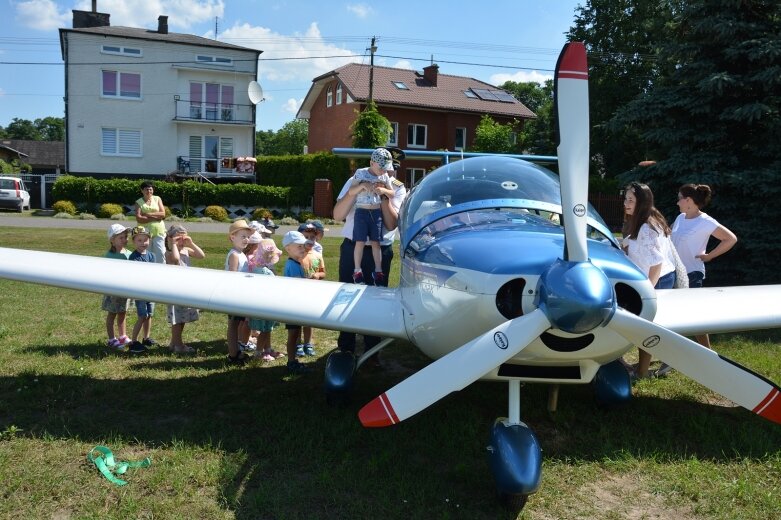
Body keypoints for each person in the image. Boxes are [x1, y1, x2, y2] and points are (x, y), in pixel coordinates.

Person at [332, 148, 407, 364]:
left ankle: (372, 350)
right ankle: (345, 347)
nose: (386, 173)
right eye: (382, 168)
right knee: (346, 295)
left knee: (375, 299)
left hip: (379, 250)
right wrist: (355, 191)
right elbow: (337, 215)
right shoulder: (355, 179)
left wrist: (384, 195)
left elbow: (392, 224)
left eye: (390, 170)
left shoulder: (399, 189)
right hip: (352, 247)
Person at [671, 183, 737, 351]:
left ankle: (706, 353)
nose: (677, 202)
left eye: (679, 199)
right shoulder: (680, 218)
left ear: (688, 200)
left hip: (693, 273)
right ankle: (701, 353)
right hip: (676, 273)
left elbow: (730, 239)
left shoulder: (706, 221)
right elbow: (668, 239)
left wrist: (710, 256)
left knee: (691, 315)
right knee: (680, 315)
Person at [622, 182, 677, 378]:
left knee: (645, 327)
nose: (626, 203)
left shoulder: (646, 227)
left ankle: (642, 372)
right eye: (626, 199)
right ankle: (639, 367)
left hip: (656, 280)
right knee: (644, 325)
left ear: (642, 202)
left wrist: (647, 292)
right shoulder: (646, 220)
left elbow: (657, 262)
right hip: (658, 277)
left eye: (631, 200)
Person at [348, 148, 394, 285]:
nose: (384, 171)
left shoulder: (384, 177)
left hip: (376, 212)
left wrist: (383, 190)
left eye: (386, 169)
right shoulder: (361, 173)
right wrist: (362, 186)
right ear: (372, 163)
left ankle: (378, 271)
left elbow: (392, 194)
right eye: (381, 168)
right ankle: (357, 270)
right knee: (360, 242)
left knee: (376, 242)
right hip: (361, 212)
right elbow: (351, 192)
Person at [164, 224, 205, 354]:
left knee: (182, 319)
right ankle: (179, 346)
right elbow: (176, 260)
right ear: (170, 238)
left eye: (183, 237)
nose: (182, 240)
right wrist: (174, 245)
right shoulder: (169, 252)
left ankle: (174, 343)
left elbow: (201, 256)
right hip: (174, 290)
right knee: (177, 319)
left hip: (185, 289)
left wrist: (191, 243)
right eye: (178, 237)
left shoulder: (186, 250)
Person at [247, 238, 285, 362]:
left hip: (259, 303)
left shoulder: (256, 267)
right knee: (264, 329)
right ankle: (259, 352)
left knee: (268, 329)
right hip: (265, 304)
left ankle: (267, 349)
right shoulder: (265, 272)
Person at [281, 230, 313, 375]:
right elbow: (297, 285)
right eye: (298, 246)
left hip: (294, 304)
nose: (302, 248)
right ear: (288, 248)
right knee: (293, 335)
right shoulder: (293, 265)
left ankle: (292, 360)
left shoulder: (295, 262)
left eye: (303, 246)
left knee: (295, 334)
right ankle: (291, 362)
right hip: (292, 306)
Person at [225, 219, 253, 365]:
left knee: (237, 323)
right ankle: (233, 354)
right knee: (233, 324)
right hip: (234, 295)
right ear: (232, 237)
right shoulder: (234, 255)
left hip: (240, 294)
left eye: (247, 236)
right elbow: (233, 276)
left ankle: (236, 350)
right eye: (243, 236)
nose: (246, 239)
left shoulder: (241, 254)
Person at [297, 224, 326, 357]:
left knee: (308, 320)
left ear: (316, 239)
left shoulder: (317, 255)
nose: (309, 240)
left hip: (311, 292)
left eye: (312, 237)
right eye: (305, 237)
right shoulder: (297, 255)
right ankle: (297, 344)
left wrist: (317, 275)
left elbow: (323, 272)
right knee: (297, 320)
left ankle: (307, 343)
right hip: (298, 292)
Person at [128, 226, 158, 354]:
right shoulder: (133, 257)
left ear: (149, 241)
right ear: (134, 242)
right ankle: (133, 342)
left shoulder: (152, 256)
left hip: (150, 290)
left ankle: (146, 338)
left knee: (149, 315)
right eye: (139, 240)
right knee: (142, 316)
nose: (143, 243)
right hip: (139, 291)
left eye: (145, 240)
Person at [102, 223, 132, 351]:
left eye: (125, 237)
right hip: (113, 290)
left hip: (124, 289)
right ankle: (111, 339)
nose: (124, 240)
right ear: (112, 240)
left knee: (122, 312)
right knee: (112, 314)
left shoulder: (129, 254)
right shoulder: (109, 256)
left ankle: (122, 336)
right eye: (121, 237)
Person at [134, 181, 167, 264]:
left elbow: (163, 214)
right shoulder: (138, 202)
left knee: (160, 252)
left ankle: (161, 270)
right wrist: (155, 218)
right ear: (142, 190)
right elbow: (139, 218)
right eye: (146, 189)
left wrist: (148, 214)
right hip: (144, 233)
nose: (149, 191)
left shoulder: (157, 199)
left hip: (159, 231)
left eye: (150, 189)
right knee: (147, 252)